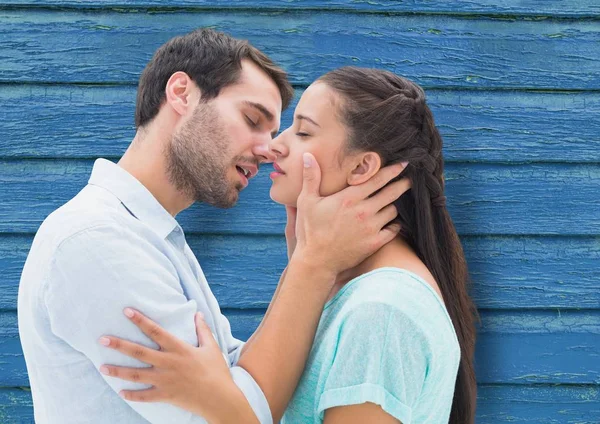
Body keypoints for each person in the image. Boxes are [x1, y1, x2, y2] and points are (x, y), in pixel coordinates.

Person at [17, 30, 410, 424]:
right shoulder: (97, 242)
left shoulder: (154, 235)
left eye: (275, 132)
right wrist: (314, 263)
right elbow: (238, 413)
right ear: (182, 93)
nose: (268, 148)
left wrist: (309, 263)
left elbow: (233, 375)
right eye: (252, 119)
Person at [99, 67, 479, 423]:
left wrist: (216, 402)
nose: (273, 147)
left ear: (362, 169)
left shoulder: (381, 312)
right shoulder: (355, 293)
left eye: (303, 132)